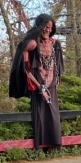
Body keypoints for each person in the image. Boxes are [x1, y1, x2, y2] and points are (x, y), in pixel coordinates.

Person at [17, 14, 64, 149]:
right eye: (46, 27)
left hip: (51, 85)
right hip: (38, 85)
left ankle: (53, 146)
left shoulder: (55, 44)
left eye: (51, 27)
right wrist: (40, 88)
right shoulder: (32, 44)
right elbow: (26, 69)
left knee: (53, 116)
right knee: (40, 115)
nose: (48, 30)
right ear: (40, 26)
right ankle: (41, 147)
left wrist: (55, 82)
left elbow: (57, 66)